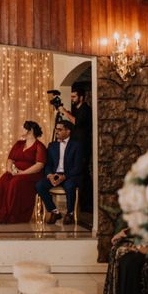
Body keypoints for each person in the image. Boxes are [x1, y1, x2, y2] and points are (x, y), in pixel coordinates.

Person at [0, 120, 46, 223]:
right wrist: (9, 169)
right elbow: (10, 159)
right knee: (3, 180)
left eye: (25, 129)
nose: (22, 131)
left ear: (30, 131)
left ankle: (9, 215)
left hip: (32, 175)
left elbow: (39, 165)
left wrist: (22, 172)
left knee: (15, 182)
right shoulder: (19, 144)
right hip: (16, 172)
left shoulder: (39, 146)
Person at [35, 120, 83, 224]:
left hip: (69, 175)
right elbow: (48, 165)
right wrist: (50, 175)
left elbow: (78, 167)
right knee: (40, 185)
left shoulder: (76, 145)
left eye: (60, 129)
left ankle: (70, 213)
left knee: (70, 186)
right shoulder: (52, 145)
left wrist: (64, 176)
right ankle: (54, 211)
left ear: (68, 131)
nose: (57, 132)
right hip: (55, 174)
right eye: (56, 129)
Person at [59, 85, 92, 214]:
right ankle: (81, 204)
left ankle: (87, 204)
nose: (72, 99)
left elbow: (77, 122)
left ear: (81, 97)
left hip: (83, 146)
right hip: (75, 145)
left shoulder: (85, 110)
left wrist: (65, 112)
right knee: (78, 172)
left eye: (74, 96)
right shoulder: (76, 109)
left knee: (84, 173)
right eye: (71, 96)